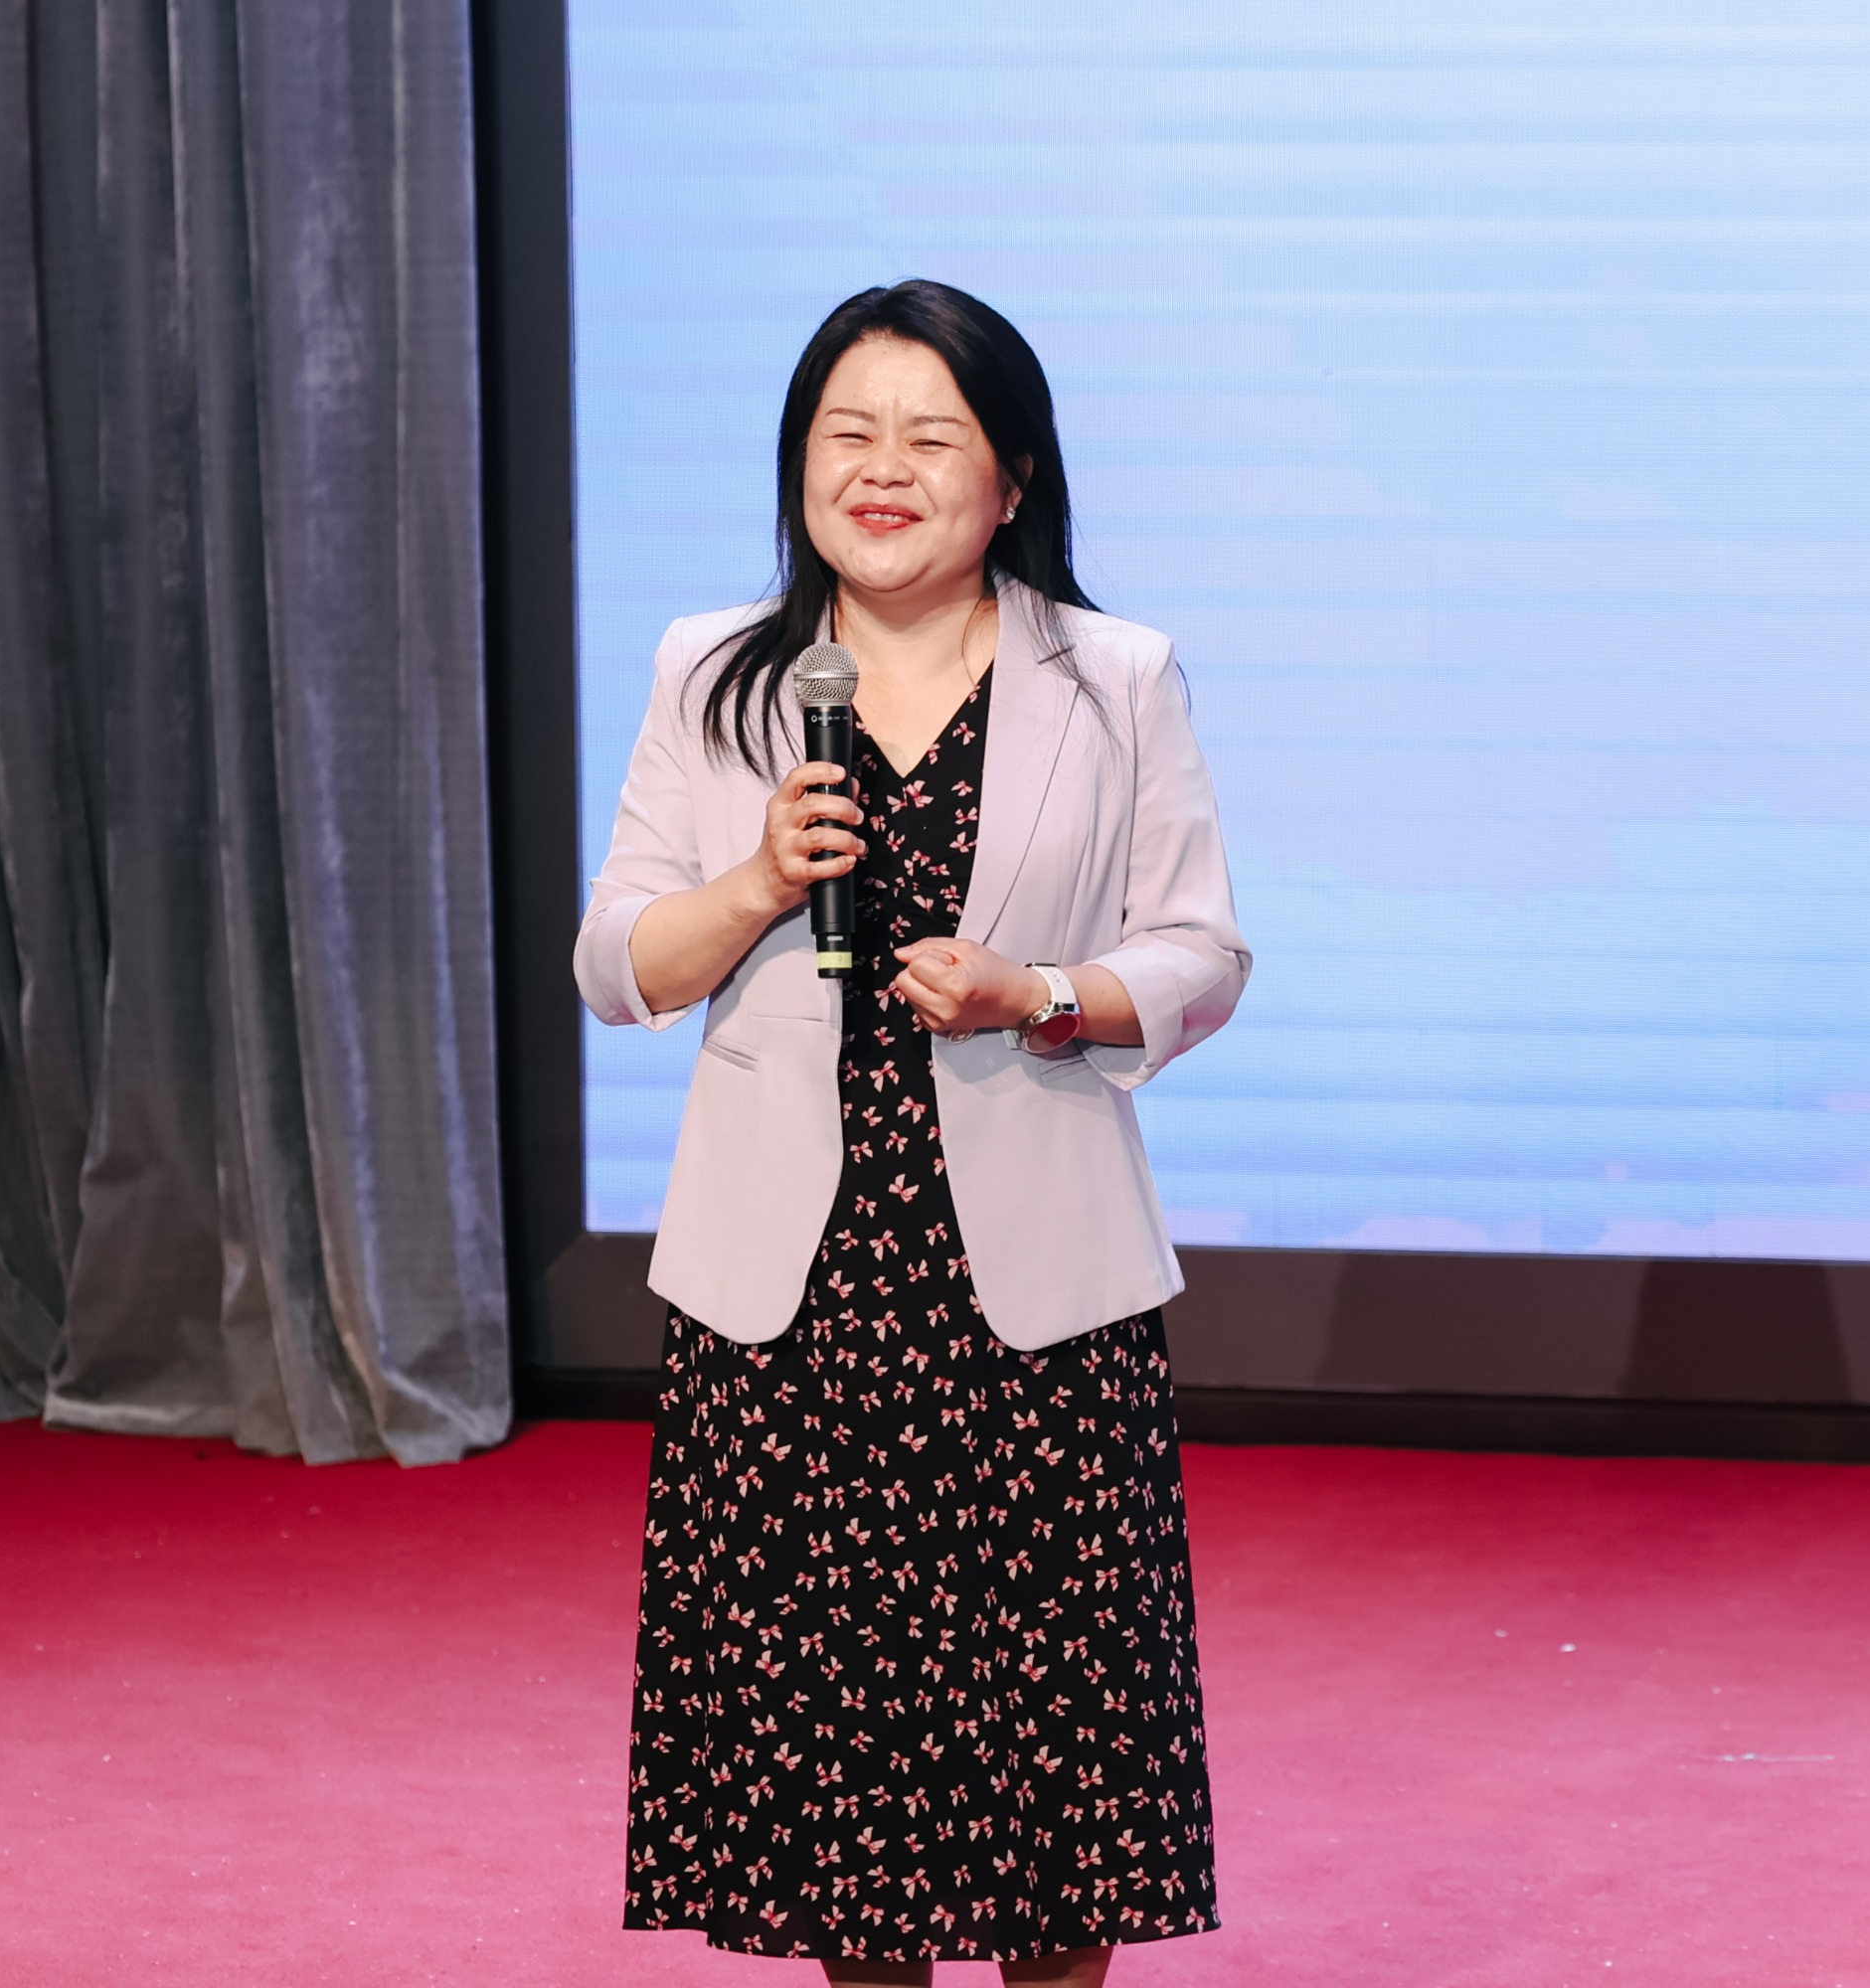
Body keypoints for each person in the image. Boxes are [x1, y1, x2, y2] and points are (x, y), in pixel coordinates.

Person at [576, 279, 1252, 1985]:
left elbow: (1202, 954)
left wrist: (1046, 993)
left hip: (1033, 1305)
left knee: (1061, 1774)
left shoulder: (1113, 676)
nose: (881, 471)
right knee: (836, 1779)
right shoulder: (715, 672)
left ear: (1011, 478)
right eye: (847, 434)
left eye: (930, 438)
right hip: (793, 1301)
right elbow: (617, 965)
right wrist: (754, 883)